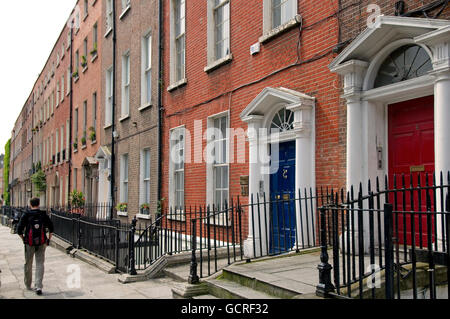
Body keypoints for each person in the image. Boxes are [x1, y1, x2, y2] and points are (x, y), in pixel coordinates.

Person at [16, 197, 54, 295]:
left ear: (30, 204)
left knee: (28, 263)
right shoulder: (43, 214)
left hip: (29, 243)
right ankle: (38, 286)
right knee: (40, 263)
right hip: (42, 242)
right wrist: (48, 239)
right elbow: (51, 228)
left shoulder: (26, 214)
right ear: (39, 204)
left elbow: (19, 229)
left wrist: (23, 239)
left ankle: (28, 284)